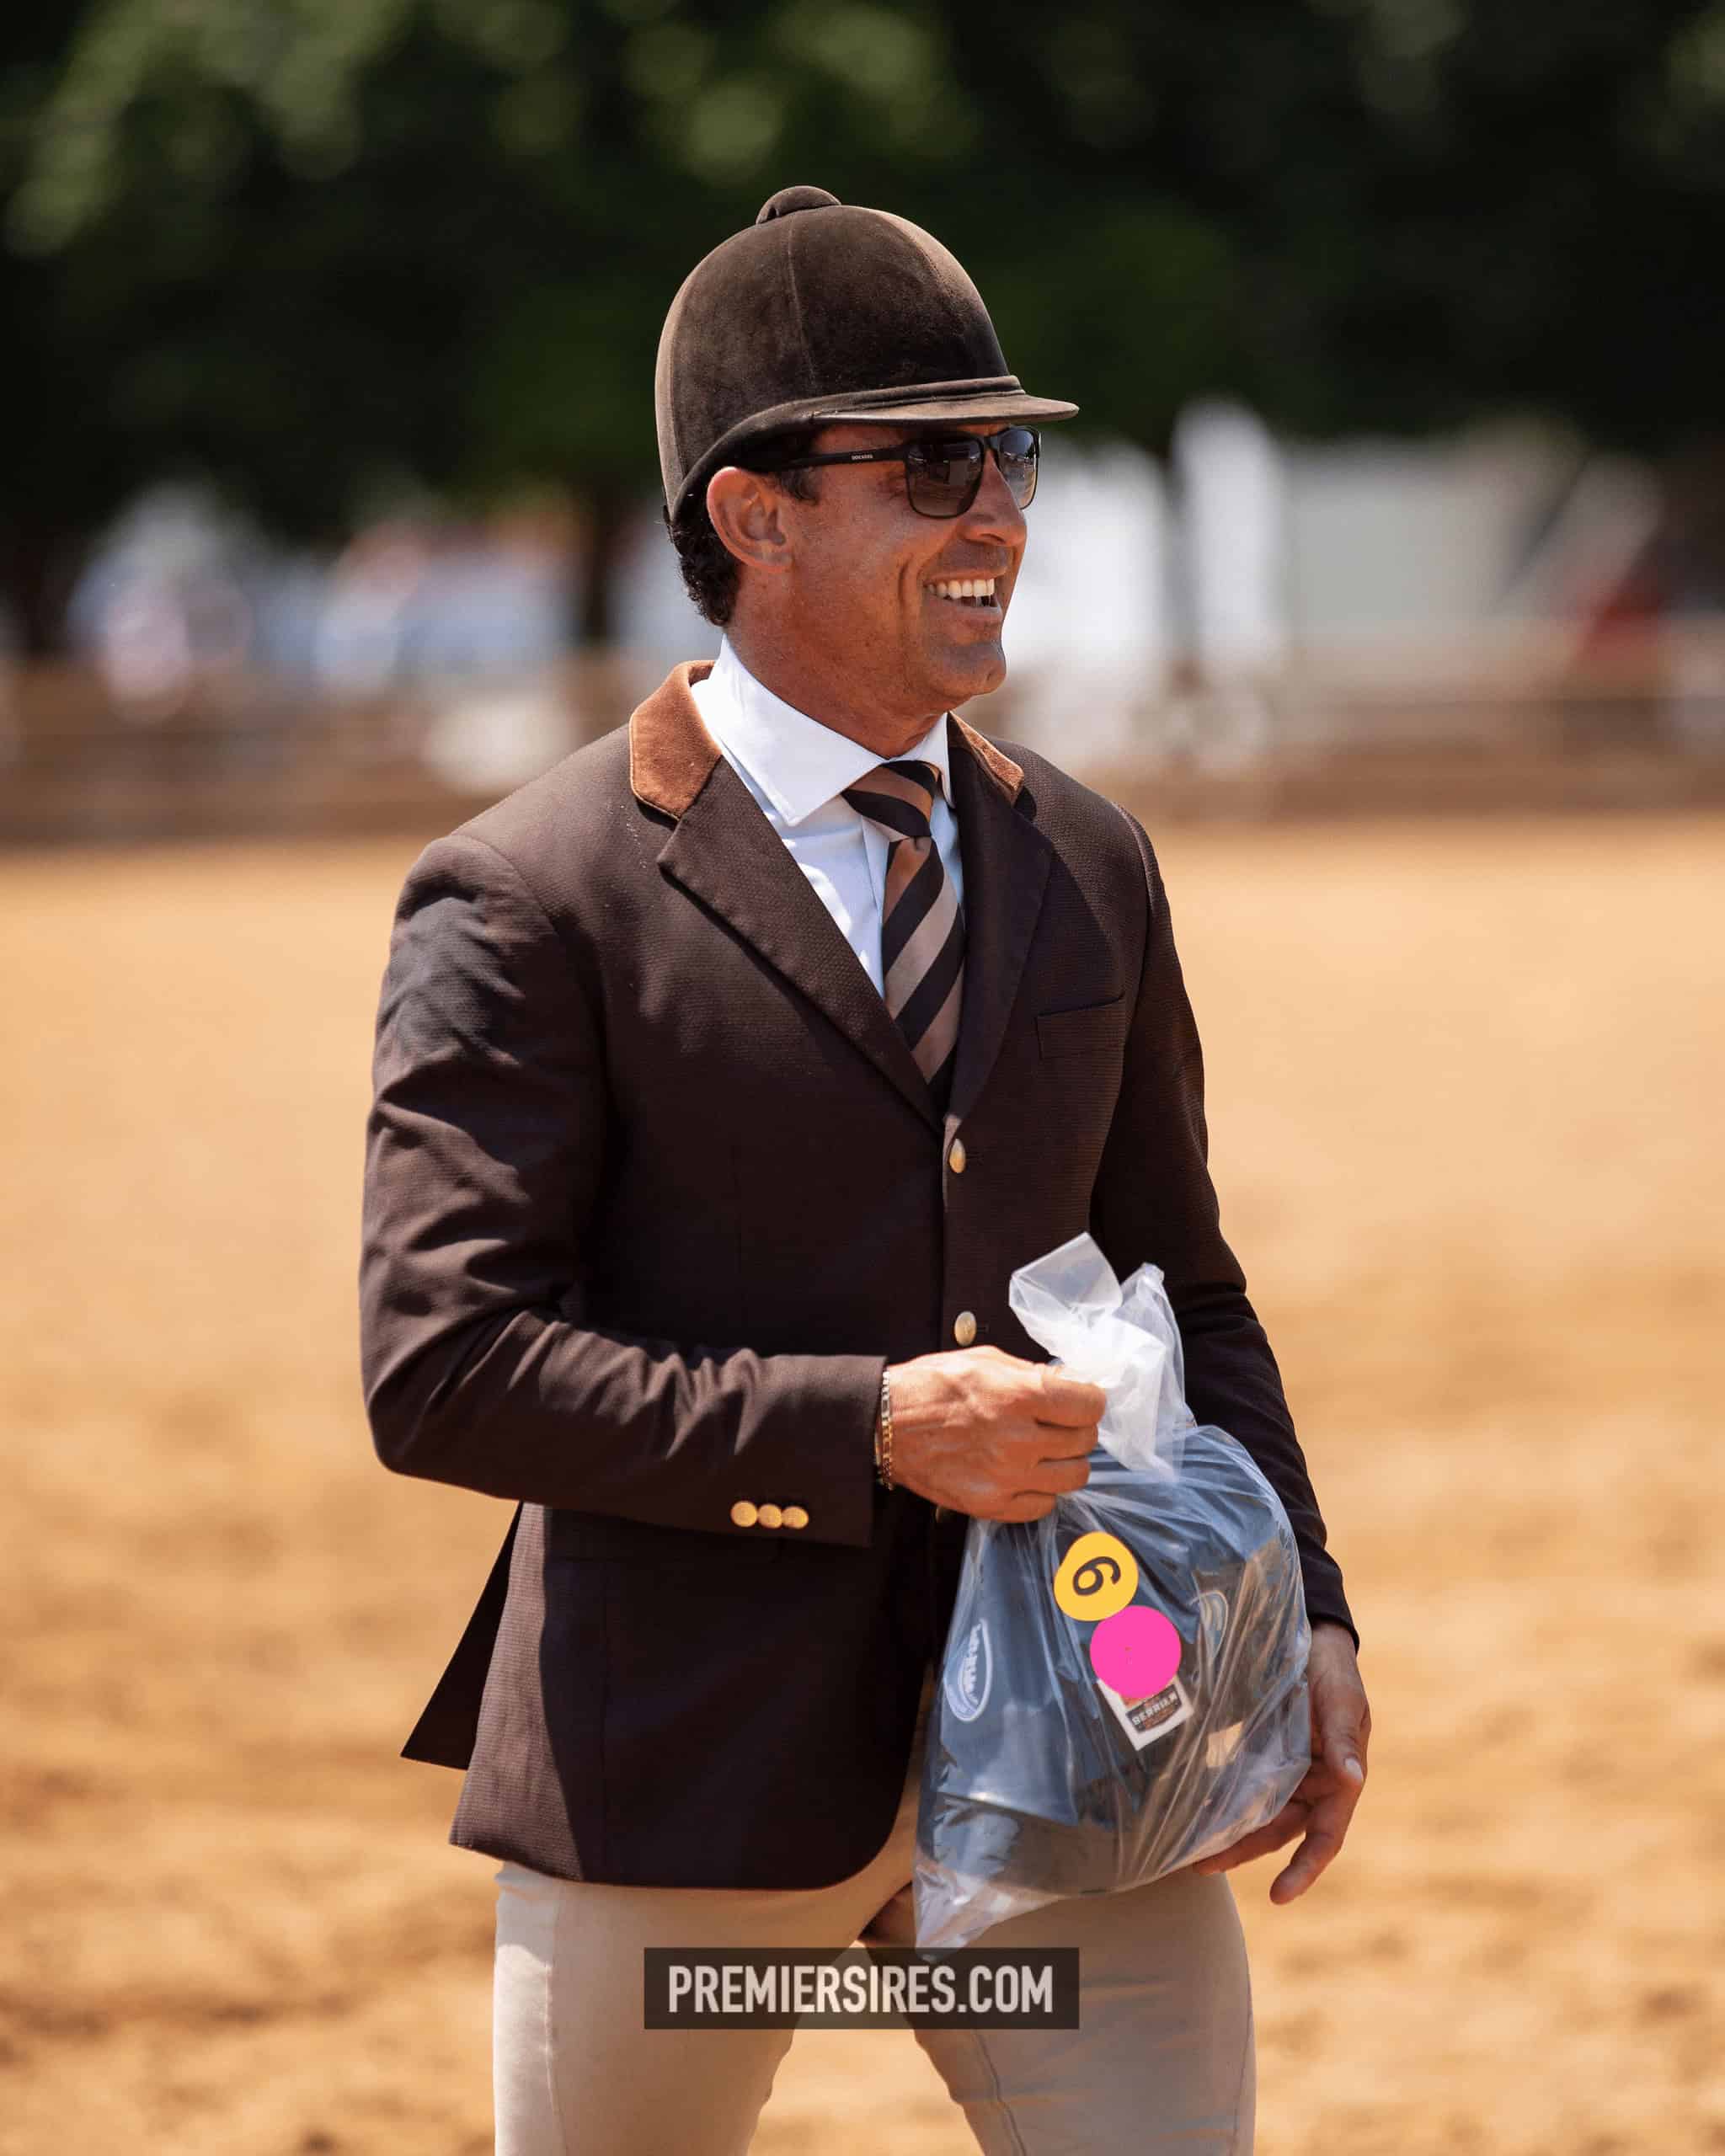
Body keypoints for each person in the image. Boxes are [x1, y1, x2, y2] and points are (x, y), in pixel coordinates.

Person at [360, 184, 1370, 2156]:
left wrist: (1304, 1612)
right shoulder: (527, 892)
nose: (996, 513)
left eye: (1006, 460)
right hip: (686, 1781)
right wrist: (872, 1427)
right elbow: (444, 1364)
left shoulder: (1088, 858)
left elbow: (1183, 1281)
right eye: (928, 466)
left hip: (1086, 1755)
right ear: (753, 516)